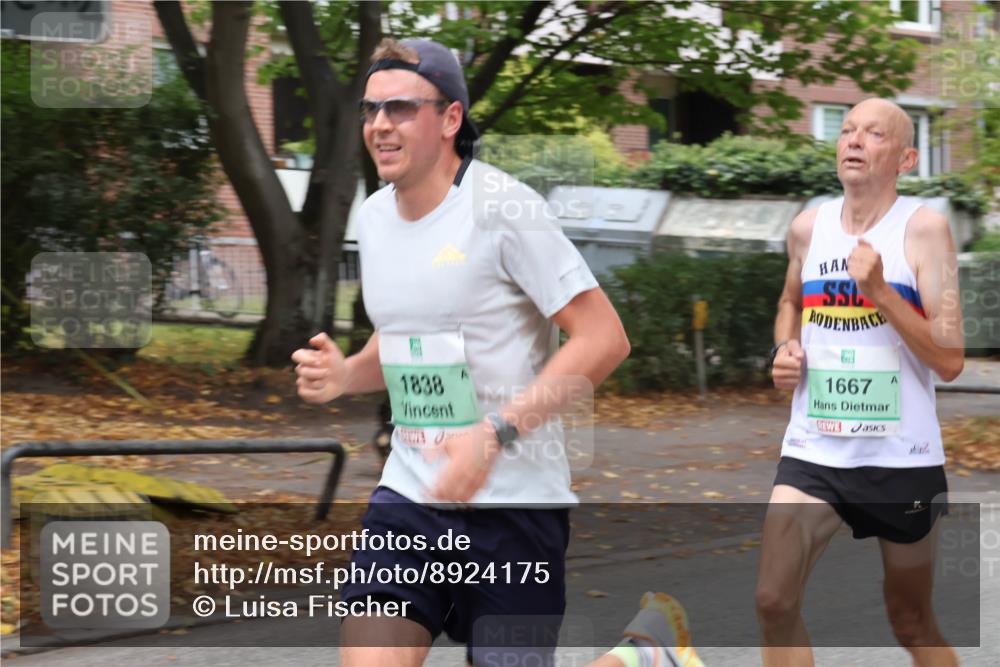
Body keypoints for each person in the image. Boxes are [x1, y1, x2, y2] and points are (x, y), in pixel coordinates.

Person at [293, 38, 631, 666]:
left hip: (515, 511)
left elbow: (604, 338)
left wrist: (493, 434)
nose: (380, 124)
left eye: (400, 108)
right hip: (409, 497)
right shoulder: (373, 219)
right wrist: (345, 374)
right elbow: (404, 335)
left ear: (451, 118)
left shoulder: (505, 210)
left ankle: (641, 658)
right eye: (370, 109)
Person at [756, 98, 964, 667]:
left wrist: (882, 293)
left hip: (901, 459)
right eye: (847, 130)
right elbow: (790, 301)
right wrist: (784, 348)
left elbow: (950, 358)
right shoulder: (808, 228)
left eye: (873, 134)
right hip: (815, 450)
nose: (853, 140)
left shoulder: (924, 230)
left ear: (905, 159)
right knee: (773, 600)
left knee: (911, 621)